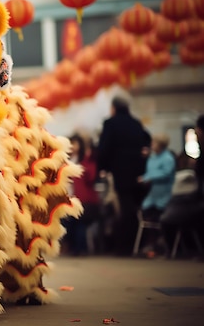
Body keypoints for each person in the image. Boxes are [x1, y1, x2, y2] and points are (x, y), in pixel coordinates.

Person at [97, 96, 151, 256]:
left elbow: (104, 148)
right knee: (134, 209)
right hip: (139, 173)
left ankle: (124, 247)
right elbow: (147, 139)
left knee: (124, 210)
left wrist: (103, 168)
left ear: (114, 108)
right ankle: (137, 244)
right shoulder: (136, 123)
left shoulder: (110, 123)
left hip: (121, 172)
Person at [138, 133, 176, 256]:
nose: (151, 145)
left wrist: (148, 178)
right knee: (147, 216)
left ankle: (165, 246)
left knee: (162, 220)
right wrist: (144, 178)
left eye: (154, 143)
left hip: (165, 193)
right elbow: (150, 172)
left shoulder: (168, 158)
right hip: (153, 194)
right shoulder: (152, 158)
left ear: (161, 144)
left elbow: (166, 173)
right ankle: (151, 245)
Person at [64, 134, 100, 256]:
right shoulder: (66, 160)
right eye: (71, 143)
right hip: (68, 196)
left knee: (80, 224)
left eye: (75, 143)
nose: (73, 146)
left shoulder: (86, 160)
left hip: (83, 198)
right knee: (70, 224)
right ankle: (72, 247)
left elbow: (91, 177)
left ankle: (79, 249)